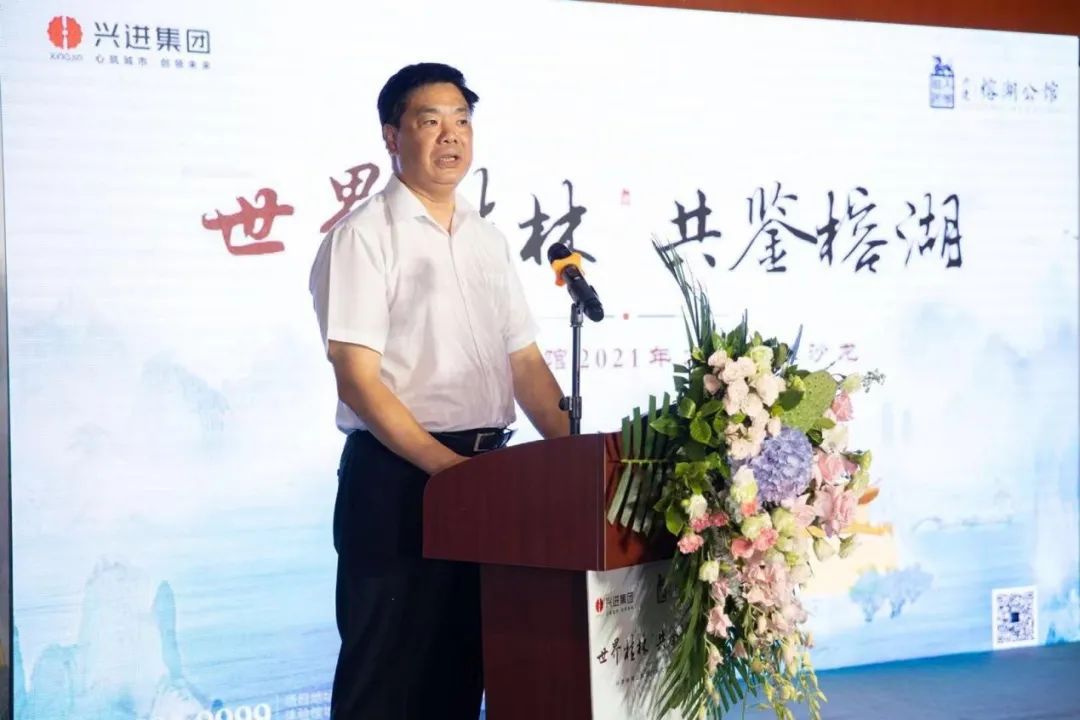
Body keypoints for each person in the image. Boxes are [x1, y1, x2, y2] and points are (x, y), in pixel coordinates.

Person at [308, 62, 569, 720]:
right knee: (385, 680)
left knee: (459, 674)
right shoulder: (364, 237)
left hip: (483, 478)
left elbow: (525, 364)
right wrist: (448, 471)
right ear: (392, 136)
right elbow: (357, 378)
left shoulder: (487, 240)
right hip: (399, 480)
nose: (450, 135)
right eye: (430, 121)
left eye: (462, 121)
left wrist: (582, 459)